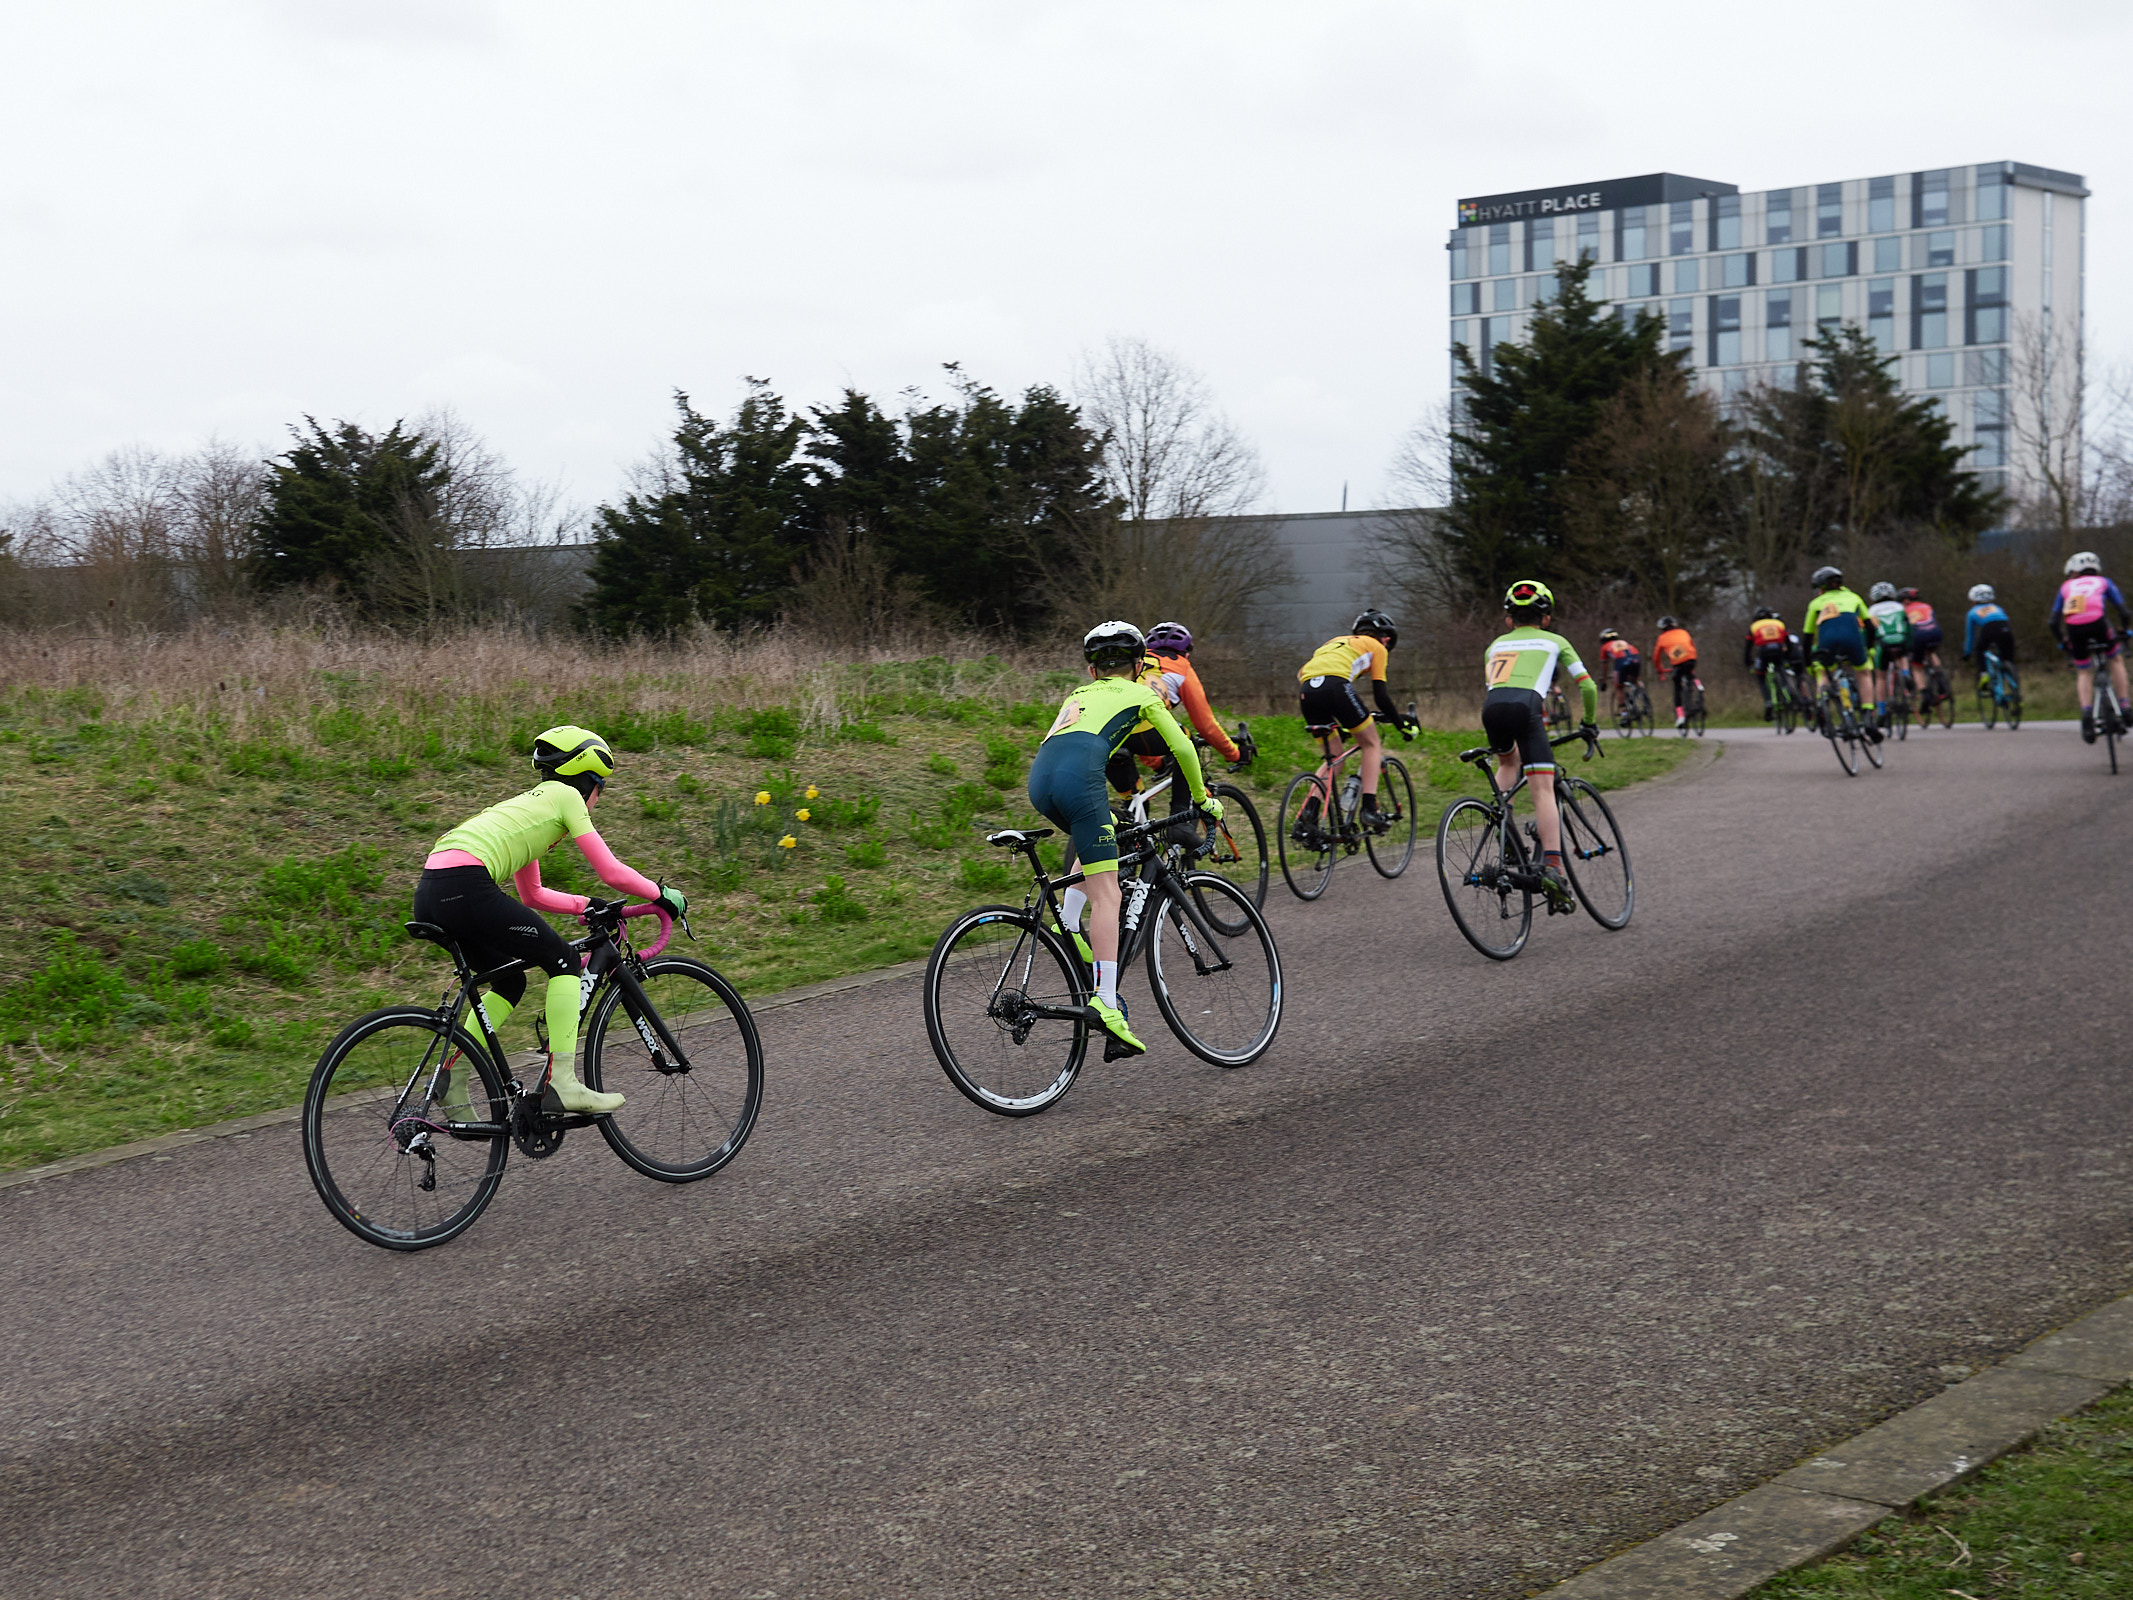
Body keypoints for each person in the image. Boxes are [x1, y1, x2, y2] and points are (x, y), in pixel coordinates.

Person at [408, 726, 688, 1119]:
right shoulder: (567, 797)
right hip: (466, 884)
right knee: (565, 962)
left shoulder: (529, 806)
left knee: (510, 980)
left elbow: (532, 894)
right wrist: (660, 894)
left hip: (431, 891)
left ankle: (451, 1077)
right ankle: (563, 1084)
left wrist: (587, 905)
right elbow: (610, 870)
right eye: (601, 788)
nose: (598, 798)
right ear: (587, 779)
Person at [1028, 621, 1220, 1060]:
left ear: (1092, 671)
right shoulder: (1141, 693)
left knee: (1103, 835)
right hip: (1080, 783)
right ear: (1139, 666)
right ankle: (1107, 1005)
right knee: (1108, 893)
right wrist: (1202, 800)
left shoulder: (1077, 695)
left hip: (1040, 783)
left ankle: (1067, 922)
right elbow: (1183, 748)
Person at [1483, 581, 1598, 912]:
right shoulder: (1555, 640)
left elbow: (1495, 685)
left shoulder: (1494, 645)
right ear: (1546, 618)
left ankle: (1503, 829)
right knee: (1543, 788)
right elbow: (1588, 686)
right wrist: (1589, 723)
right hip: (1526, 708)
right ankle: (1552, 868)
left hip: (1491, 709)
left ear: (1509, 620)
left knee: (1508, 763)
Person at [1294, 610, 1417, 836]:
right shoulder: (1377, 647)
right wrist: (1400, 723)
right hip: (1336, 687)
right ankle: (1369, 808)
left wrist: (1340, 724)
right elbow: (1381, 696)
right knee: (1371, 744)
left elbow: (1303, 673)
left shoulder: (1334, 642)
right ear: (1385, 638)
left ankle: (1308, 814)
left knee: (1335, 758)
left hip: (1307, 690)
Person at [1105, 620, 1250, 803]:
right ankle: (1181, 813)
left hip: (1105, 733)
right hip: (1143, 732)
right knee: (1186, 740)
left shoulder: (1133, 664)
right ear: (1185, 653)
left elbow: (1133, 717)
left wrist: (1158, 764)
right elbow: (1205, 725)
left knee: (1136, 804)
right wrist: (1235, 754)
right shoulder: (1181, 667)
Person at [2049, 552, 2133, 743]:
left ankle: (2087, 713)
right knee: (2115, 659)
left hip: (2074, 628)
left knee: (2084, 671)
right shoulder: (2103, 582)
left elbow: (2053, 622)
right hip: (2098, 624)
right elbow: (2123, 611)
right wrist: (2124, 630)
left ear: (2073, 572)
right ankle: (2125, 706)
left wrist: (2063, 641)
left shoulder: (2066, 586)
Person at [1803, 566, 1882, 741]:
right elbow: (1870, 627)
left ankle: (1822, 705)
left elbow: (1807, 637)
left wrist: (1808, 663)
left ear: (1820, 588)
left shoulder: (1815, 603)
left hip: (1827, 643)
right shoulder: (1854, 597)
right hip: (1853, 640)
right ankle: (1868, 716)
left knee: (1825, 673)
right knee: (1863, 673)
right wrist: (1869, 648)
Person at [1865, 582, 1913, 727]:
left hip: (1884, 643)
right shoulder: (1899, 607)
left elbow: (1869, 632)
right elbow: (1909, 626)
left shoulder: (1871, 610)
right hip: (1900, 639)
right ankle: (1905, 673)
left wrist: (1869, 646)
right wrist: (1910, 645)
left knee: (1880, 677)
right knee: (1902, 656)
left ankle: (1881, 711)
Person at [1962, 584, 2018, 697]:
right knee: (2007, 658)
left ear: (1973, 600)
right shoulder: (1998, 608)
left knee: (1980, 649)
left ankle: (1984, 674)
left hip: (1989, 630)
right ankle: (2014, 686)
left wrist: (1967, 652)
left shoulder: (1972, 612)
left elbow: (1970, 635)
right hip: (2006, 629)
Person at [1651, 616, 1700, 729]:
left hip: (1678, 662)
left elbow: (1656, 657)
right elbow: (1692, 645)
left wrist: (1660, 670)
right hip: (1692, 658)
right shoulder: (1683, 632)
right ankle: (1698, 686)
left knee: (1677, 687)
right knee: (1689, 675)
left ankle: (1680, 716)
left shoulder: (1662, 638)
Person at [1742, 608, 1790, 720]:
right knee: (1781, 669)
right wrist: (1787, 657)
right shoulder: (1778, 623)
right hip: (1778, 649)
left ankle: (1768, 702)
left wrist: (1748, 662)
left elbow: (1748, 647)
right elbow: (1788, 642)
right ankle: (1787, 692)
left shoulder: (1754, 626)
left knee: (1761, 677)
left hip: (1763, 652)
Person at [1596, 629, 1642, 722]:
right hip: (1636, 659)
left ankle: (1624, 714)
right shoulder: (1624, 642)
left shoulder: (1605, 647)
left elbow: (1605, 666)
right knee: (1635, 681)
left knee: (1619, 687)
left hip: (1621, 662)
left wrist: (1604, 680)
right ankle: (1642, 697)